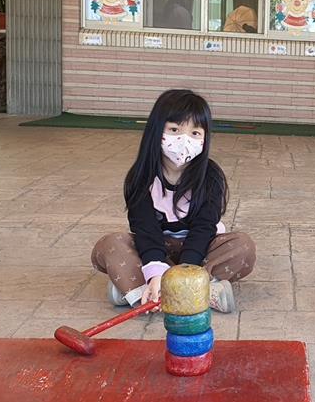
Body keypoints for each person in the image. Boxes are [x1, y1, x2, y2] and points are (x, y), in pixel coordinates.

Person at [91, 89, 256, 312]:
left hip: (201, 248)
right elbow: (146, 231)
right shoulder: (141, 177)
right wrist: (156, 272)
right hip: (156, 247)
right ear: (156, 130)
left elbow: (203, 229)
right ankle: (192, 292)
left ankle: (138, 290)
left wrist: (185, 271)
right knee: (110, 245)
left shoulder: (211, 176)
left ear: (205, 138)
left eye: (195, 133)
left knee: (242, 246)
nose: (184, 140)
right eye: (174, 130)